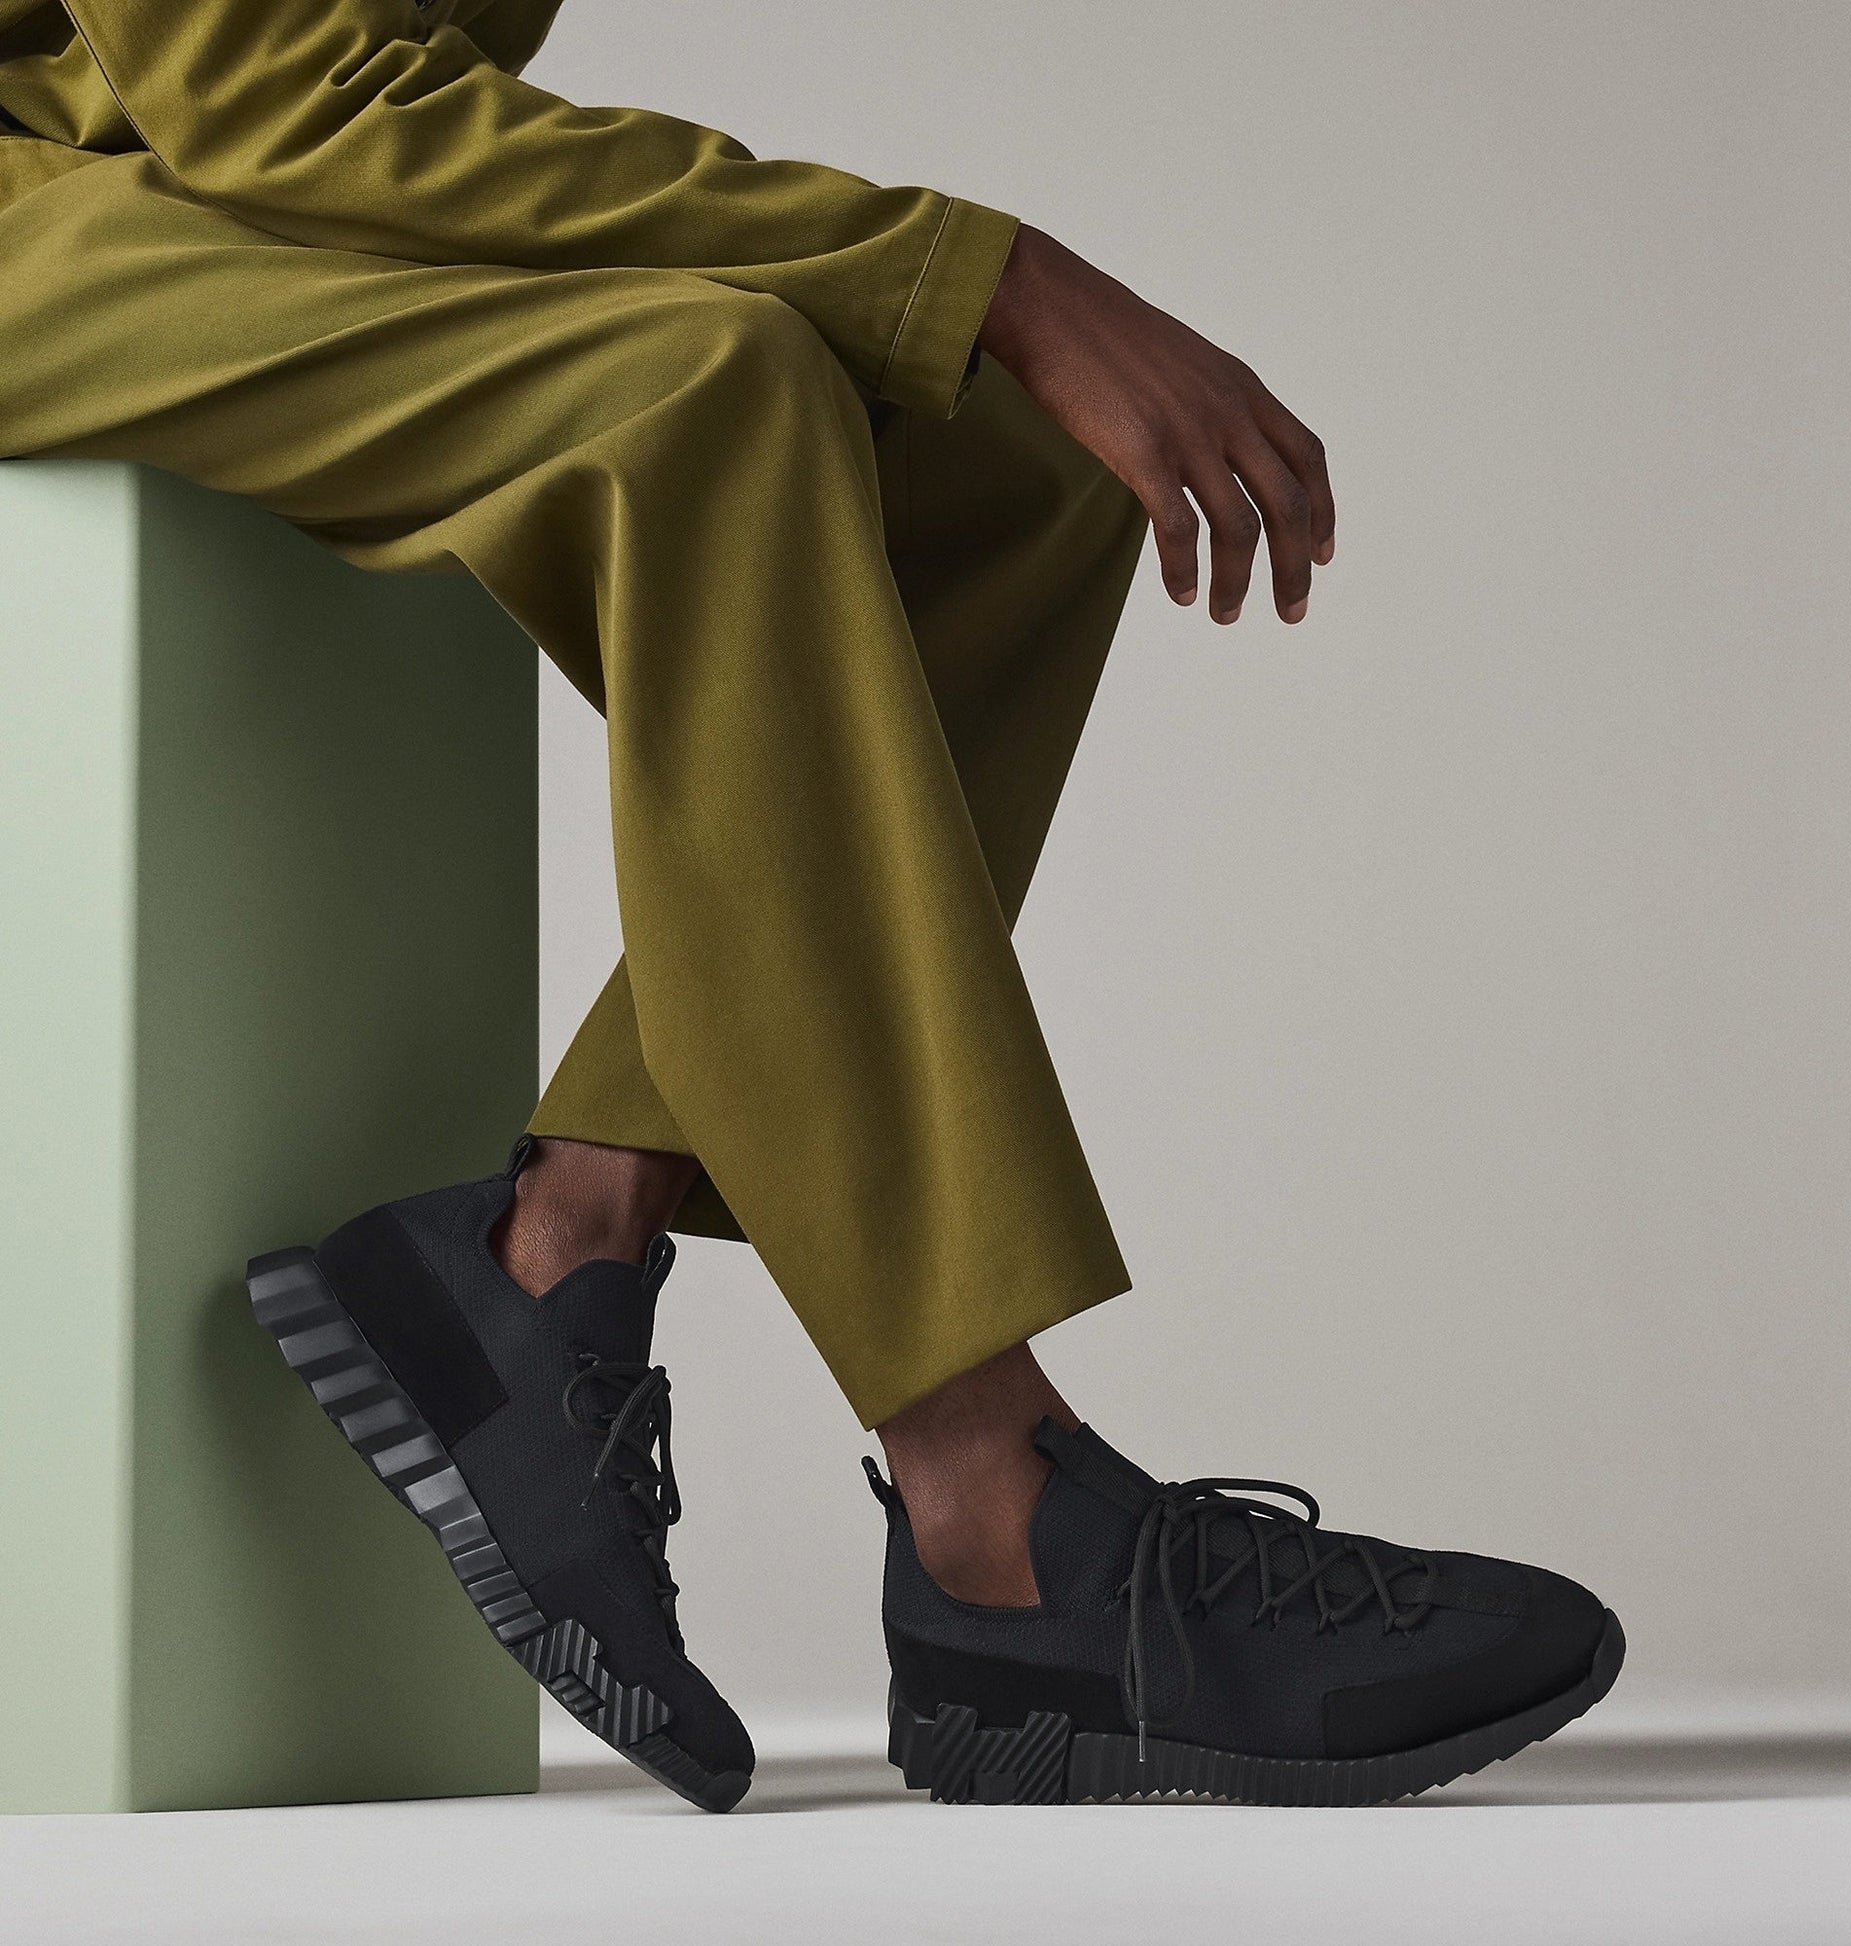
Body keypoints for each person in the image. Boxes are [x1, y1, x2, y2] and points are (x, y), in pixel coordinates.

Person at [0, 0, 1622, 1813]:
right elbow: (288, 97)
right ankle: (991, 1509)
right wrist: (993, 276)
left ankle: (562, 1237)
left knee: (1020, 469)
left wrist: (977, 314)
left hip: (161, 182)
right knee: (713, 387)